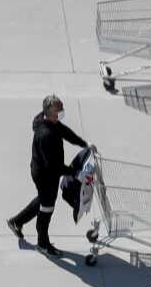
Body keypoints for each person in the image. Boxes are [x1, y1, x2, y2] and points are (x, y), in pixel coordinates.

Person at [6, 95, 93, 257]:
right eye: (58, 110)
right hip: (46, 175)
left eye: (62, 109)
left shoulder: (45, 120)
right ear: (49, 112)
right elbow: (54, 166)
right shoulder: (46, 135)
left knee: (43, 200)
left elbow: (64, 131)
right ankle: (42, 244)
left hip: (43, 170)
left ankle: (16, 222)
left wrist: (83, 143)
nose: (61, 112)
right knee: (47, 209)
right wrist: (76, 174)